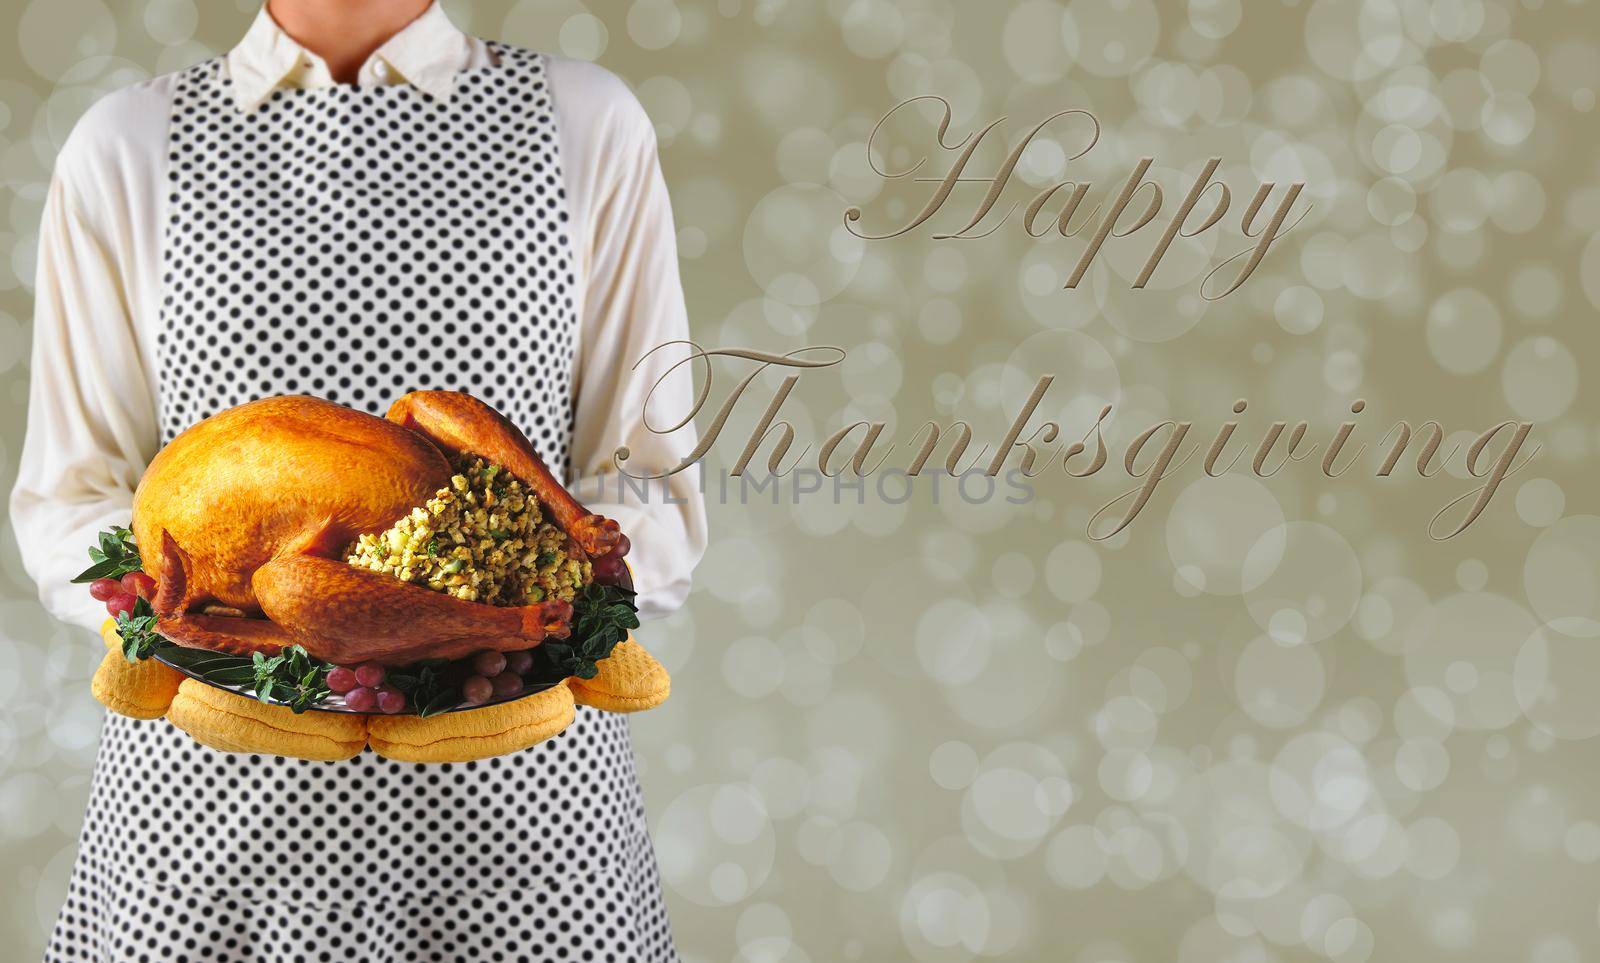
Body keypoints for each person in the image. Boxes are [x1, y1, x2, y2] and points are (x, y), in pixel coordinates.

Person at [9, 1, 707, 960]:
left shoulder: (582, 121)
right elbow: (71, 497)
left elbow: (652, 485)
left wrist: (522, 613)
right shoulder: (129, 145)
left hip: (520, 815)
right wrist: (213, 636)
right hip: (205, 824)